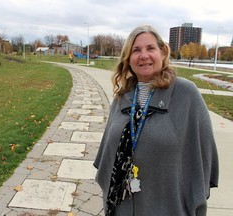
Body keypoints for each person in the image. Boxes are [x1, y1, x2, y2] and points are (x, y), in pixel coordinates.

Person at [93, 24, 219, 216]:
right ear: (128, 59)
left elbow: (203, 159)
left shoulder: (186, 94)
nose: (144, 55)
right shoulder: (122, 97)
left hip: (168, 207)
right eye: (136, 50)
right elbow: (107, 156)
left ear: (162, 52)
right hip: (121, 208)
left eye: (150, 48)